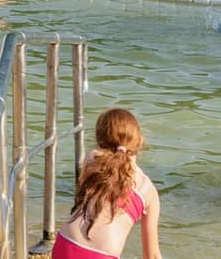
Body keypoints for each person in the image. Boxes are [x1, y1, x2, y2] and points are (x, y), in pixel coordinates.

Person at [54, 108, 161, 259]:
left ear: (99, 140)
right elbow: (152, 256)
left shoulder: (91, 159)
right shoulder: (148, 190)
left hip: (66, 243)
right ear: (140, 142)